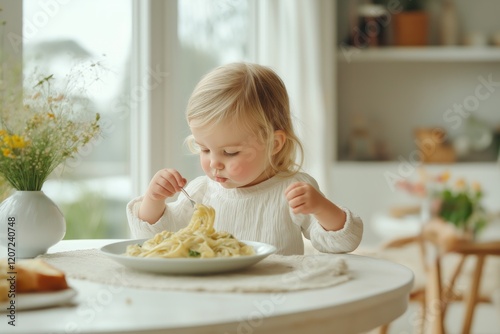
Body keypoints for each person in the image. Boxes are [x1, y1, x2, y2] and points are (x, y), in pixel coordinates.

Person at [126, 62, 363, 255]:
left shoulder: (292, 190)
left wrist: (321, 207)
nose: (214, 163)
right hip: (214, 295)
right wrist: (154, 199)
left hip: (276, 295)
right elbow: (153, 240)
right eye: (204, 149)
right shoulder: (202, 192)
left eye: (230, 152)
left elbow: (342, 243)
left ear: (274, 144)